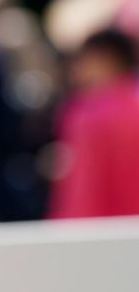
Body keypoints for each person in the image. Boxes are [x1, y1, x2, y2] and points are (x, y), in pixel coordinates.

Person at [48, 28, 139, 218]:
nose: (75, 68)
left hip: (100, 232)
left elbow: (83, 187)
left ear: (103, 59)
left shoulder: (87, 113)